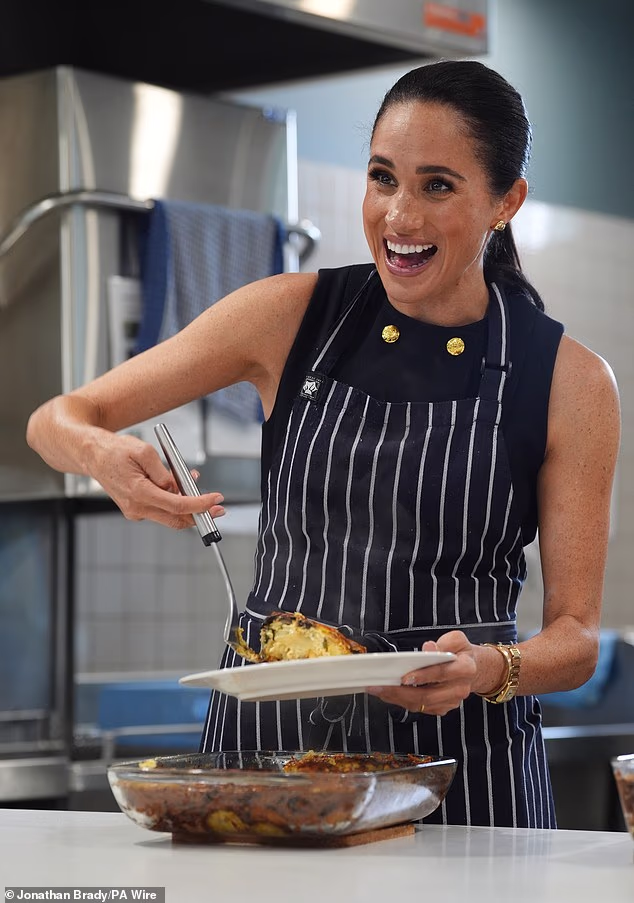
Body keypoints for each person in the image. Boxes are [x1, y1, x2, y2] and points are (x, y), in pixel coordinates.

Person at [26, 60, 620, 829]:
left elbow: (576, 640)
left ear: (506, 202)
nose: (398, 216)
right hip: (265, 757)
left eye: (437, 185)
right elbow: (58, 417)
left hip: (465, 773)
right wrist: (102, 455)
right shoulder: (289, 316)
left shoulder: (571, 381)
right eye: (382, 177)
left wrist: (488, 667)